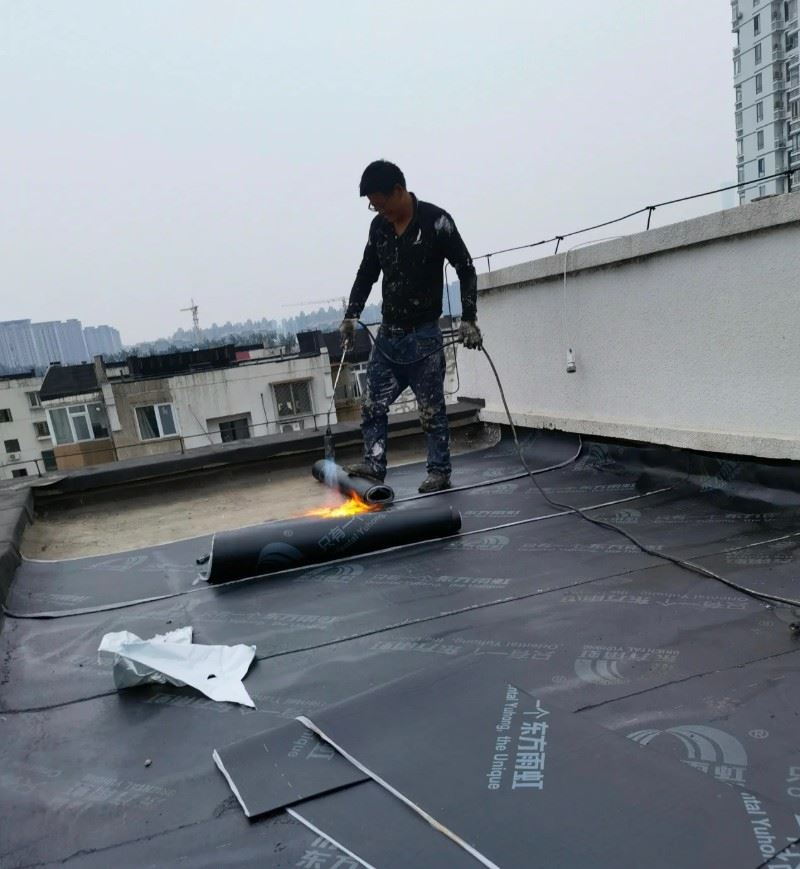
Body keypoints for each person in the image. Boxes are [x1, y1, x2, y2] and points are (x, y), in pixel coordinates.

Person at [340, 160, 482, 494]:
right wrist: (351, 315)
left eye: (382, 204)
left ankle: (439, 471)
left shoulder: (436, 222)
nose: (380, 212)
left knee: (431, 410)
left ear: (398, 191)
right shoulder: (379, 228)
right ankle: (374, 464)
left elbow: (465, 268)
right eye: (374, 207)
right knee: (373, 405)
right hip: (389, 337)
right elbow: (366, 273)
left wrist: (469, 318)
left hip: (424, 338)